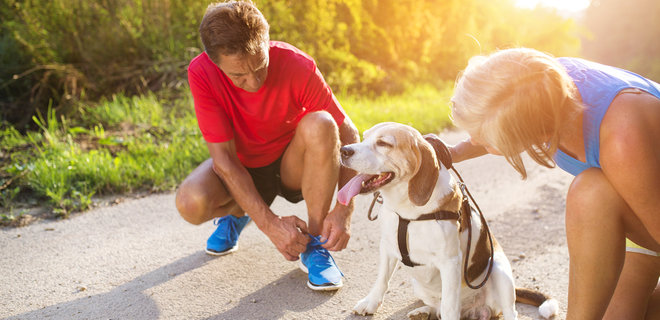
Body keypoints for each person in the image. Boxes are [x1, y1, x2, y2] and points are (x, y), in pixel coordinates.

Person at [448, 48, 660, 319]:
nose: (475, 140)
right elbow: (498, 115)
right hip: (643, 209)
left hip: (653, 213)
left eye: (483, 137)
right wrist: (454, 152)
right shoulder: (538, 84)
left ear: (533, 130)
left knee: (589, 193)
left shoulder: (622, 139)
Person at [175, 1, 359, 291]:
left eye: (260, 66)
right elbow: (223, 159)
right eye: (239, 76)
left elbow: (349, 135)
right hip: (245, 165)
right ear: (215, 62)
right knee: (190, 202)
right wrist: (270, 224)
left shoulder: (297, 64)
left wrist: (344, 208)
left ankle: (314, 243)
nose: (254, 81)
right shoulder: (201, 73)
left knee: (322, 123)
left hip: (292, 165)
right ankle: (238, 215)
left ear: (266, 42)